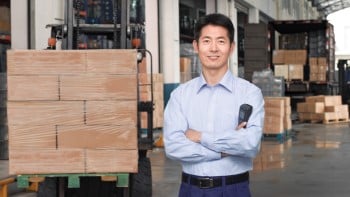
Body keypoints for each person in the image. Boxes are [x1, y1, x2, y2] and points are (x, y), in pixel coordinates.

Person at [163, 13, 265, 197]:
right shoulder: (180, 95)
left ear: (231, 47)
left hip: (234, 189)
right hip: (190, 189)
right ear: (196, 46)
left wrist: (200, 136)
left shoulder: (249, 93)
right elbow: (173, 146)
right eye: (207, 41)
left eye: (221, 41)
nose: (213, 49)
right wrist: (223, 150)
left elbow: (250, 144)